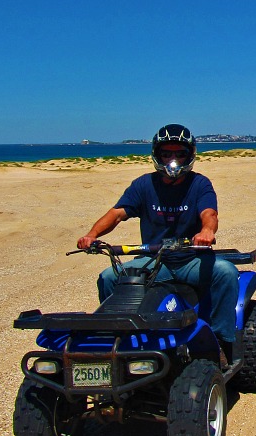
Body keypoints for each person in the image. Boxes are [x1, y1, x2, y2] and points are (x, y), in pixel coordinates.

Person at [77, 123, 238, 352]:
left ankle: (222, 341)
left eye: (180, 154)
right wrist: (92, 235)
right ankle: (117, 337)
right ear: (157, 155)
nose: (173, 160)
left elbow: (209, 214)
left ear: (190, 155)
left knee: (226, 273)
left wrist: (206, 232)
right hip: (154, 260)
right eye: (166, 153)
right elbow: (117, 214)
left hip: (191, 259)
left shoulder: (199, 184)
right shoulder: (144, 185)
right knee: (109, 277)